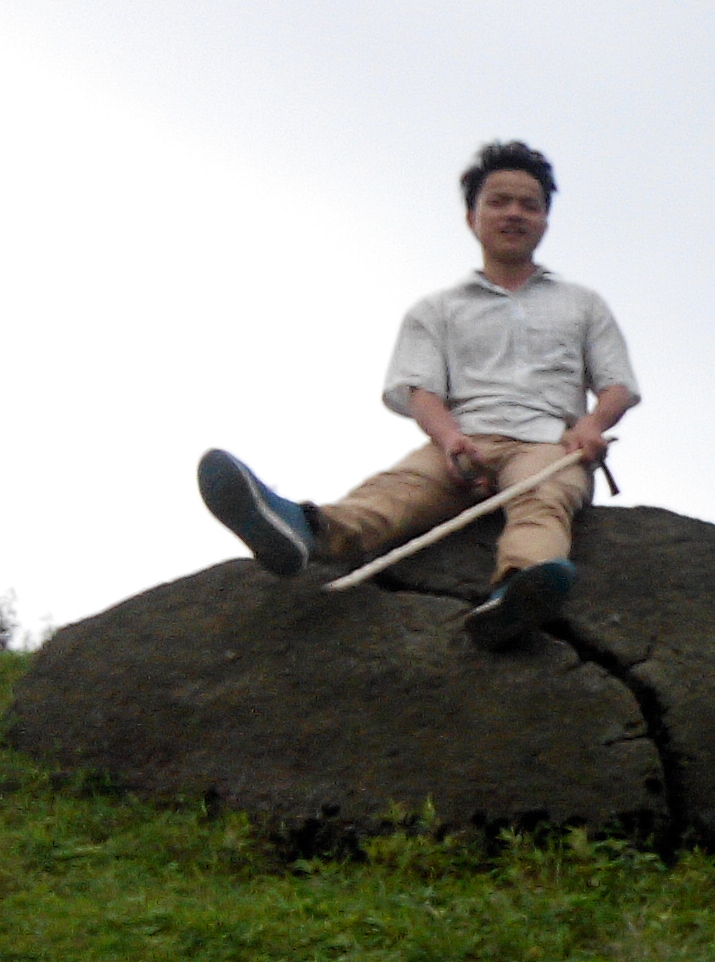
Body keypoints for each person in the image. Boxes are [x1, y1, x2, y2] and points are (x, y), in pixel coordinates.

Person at [195, 140, 642, 651]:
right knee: (397, 492)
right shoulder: (438, 310)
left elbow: (617, 384)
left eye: (529, 205)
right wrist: (450, 440)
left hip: (547, 444)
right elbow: (420, 390)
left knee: (542, 502)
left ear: (544, 220)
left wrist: (590, 426)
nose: (514, 213)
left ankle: (522, 589)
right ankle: (302, 530)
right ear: (473, 218)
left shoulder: (581, 304)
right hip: (463, 438)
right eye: (499, 202)